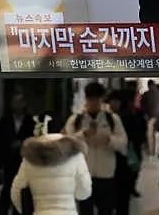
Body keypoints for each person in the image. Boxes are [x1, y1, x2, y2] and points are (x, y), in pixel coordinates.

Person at [64, 82, 127, 215]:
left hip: (107, 177)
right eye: (91, 99)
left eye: (97, 99)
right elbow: (66, 144)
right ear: (86, 99)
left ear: (102, 99)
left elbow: (123, 143)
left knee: (106, 211)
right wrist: (82, 135)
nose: (94, 103)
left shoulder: (112, 119)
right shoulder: (76, 120)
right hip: (83, 176)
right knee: (85, 211)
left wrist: (109, 140)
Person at [11, 133, 91, 215]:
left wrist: (26, 210)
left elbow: (16, 192)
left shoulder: (30, 157)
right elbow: (84, 192)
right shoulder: (75, 155)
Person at [0, 92, 36, 215]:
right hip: (8, 161)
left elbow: (34, 139)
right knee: (7, 191)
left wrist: (22, 143)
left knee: (21, 194)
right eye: (15, 102)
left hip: (23, 162)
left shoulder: (30, 121)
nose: (17, 105)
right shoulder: (5, 120)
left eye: (20, 102)